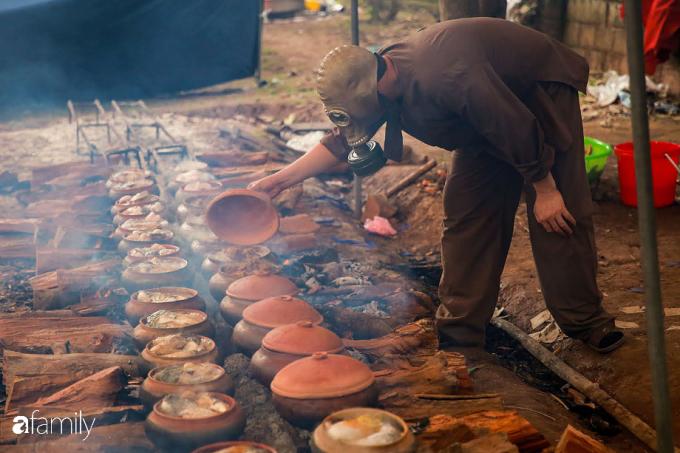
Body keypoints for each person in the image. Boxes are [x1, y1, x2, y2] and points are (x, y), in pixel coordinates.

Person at [249, 18, 624, 353]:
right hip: (482, 121)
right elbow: (339, 143)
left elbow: (514, 124)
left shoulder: (445, 76)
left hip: (535, 93)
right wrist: (281, 179)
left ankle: (587, 323)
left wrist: (545, 188)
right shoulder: (375, 80)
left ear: (381, 83)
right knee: (466, 216)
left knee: (557, 216)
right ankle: (461, 336)